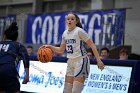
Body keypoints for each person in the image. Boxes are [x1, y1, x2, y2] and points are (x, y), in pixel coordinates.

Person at [41, 13, 104, 93]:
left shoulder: (79, 31)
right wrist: (49, 46)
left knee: (75, 91)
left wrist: (98, 60)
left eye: (72, 19)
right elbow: (61, 50)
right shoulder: (65, 33)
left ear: (76, 21)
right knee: (66, 91)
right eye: (68, 19)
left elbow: (92, 45)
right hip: (70, 62)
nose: (70, 20)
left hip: (81, 61)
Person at [0, 22, 29, 93]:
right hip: (9, 71)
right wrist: (27, 75)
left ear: (4, 36)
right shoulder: (18, 45)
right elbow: (26, 59)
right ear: (16, 38)